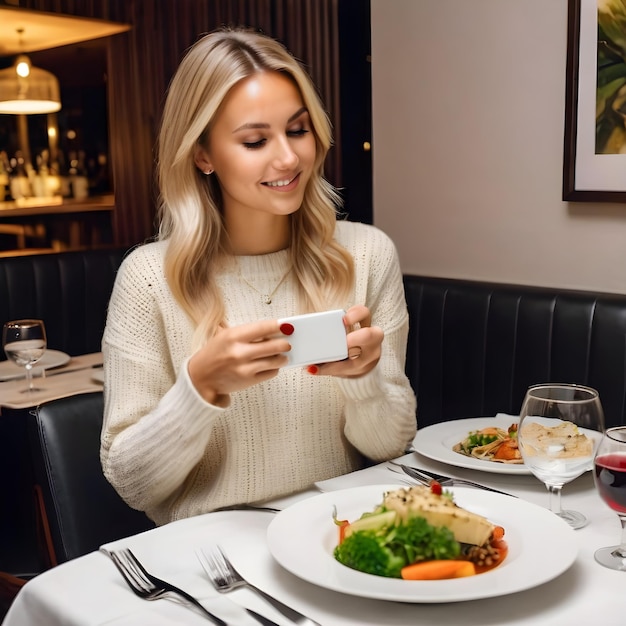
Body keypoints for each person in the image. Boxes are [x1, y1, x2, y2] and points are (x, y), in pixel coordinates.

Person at [100, 27, 417, 525]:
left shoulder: (367, 253)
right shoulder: (148, 279)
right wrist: (199, 387)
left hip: (335, 538)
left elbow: (390, 446)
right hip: (209, 557)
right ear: (203, 155)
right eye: (254, 140)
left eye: (297, 130)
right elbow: (132, 483)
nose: (288, 158)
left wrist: (365, 381)